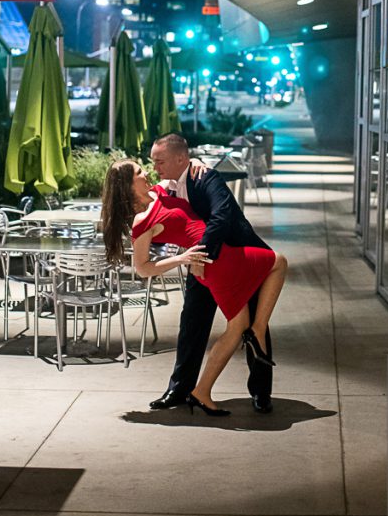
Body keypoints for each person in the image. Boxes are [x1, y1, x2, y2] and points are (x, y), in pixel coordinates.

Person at [101, 152, 287, 416]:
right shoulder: (141, 222)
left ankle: (211, 389)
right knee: (272, 271)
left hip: (221, 254)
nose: (147, 172)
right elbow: (143, 268)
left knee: (245, 315)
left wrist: (196, 163)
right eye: (139, 172)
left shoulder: (159, 191)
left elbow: (182, 172)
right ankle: (200, 390)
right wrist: (183, 258)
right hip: (213, 263)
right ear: (128, 184)